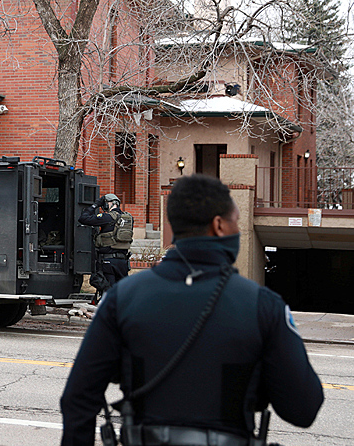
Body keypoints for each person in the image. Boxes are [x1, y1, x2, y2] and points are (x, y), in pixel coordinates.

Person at [60, 174, 324, 446]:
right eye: (237, 223)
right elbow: (303, 409)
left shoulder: (123, 298)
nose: (238, 231)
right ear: (219, 225)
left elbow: (78, 398)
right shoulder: (263, 305)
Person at [78, 193, 132, 292]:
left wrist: (95, 205)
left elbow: (83, 218)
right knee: (122, 292)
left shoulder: (108, 217)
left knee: (107, 291)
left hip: (108, 262)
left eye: (104, 204)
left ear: (108, 204)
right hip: (123, 262)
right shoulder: (128, 218)